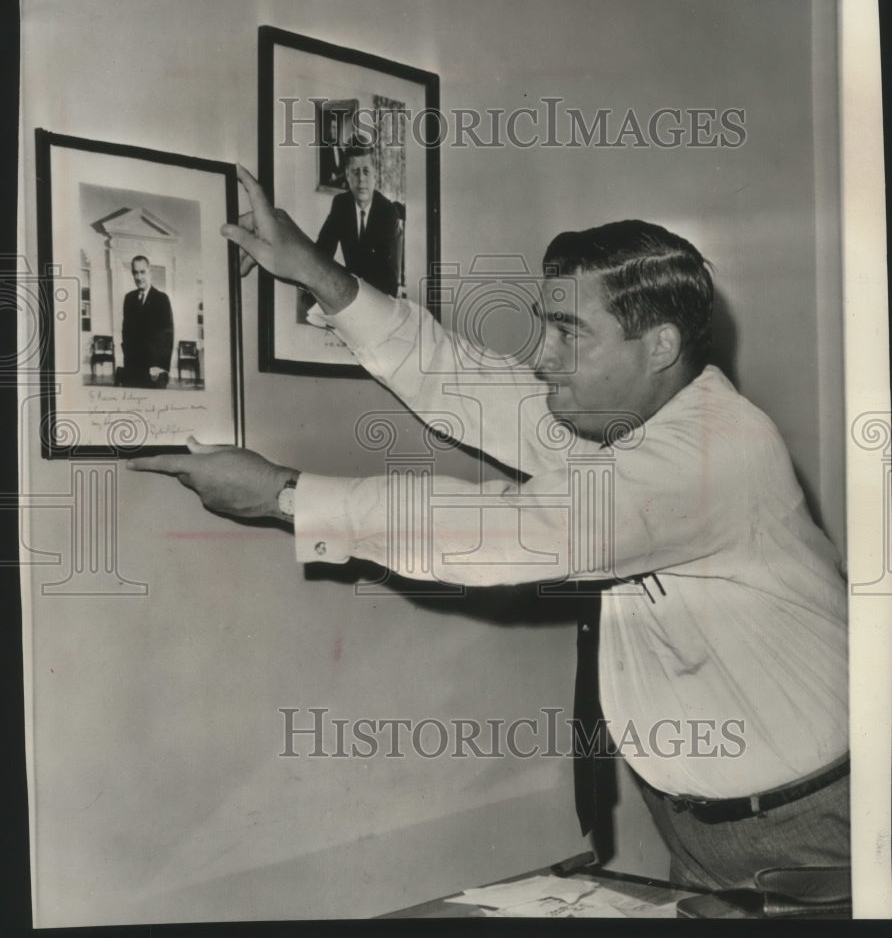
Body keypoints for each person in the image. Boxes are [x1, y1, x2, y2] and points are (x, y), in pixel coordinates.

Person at [128, 166, 849, 892]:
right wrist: (319, 273)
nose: (542, 356)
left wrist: (283, 496)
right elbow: (463, 383)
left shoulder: (714, 453)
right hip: (701, 834)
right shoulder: (623, 424)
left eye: (570, 333)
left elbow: (506, 534)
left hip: (818, 829)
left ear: (659, 347)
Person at [315, 146, 402, 298]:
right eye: (355, 172)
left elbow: (390, 278)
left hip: (379, 296)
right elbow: (323, 251)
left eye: (366, 171)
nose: (361, 179)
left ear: (374, 174)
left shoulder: (388, 212)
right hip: (350, 293)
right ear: (347, 176)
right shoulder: (341, 205)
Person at [120, 254, 174, 388]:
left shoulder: (162, 299)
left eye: (142, 272)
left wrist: (160, 366)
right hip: (132, 367)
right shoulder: (129, 298)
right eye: (135, 273)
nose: (139, 277)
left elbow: (168, 335)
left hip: (153, 370)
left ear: (150, 272)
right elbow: (125, 331)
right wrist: (127, 357)